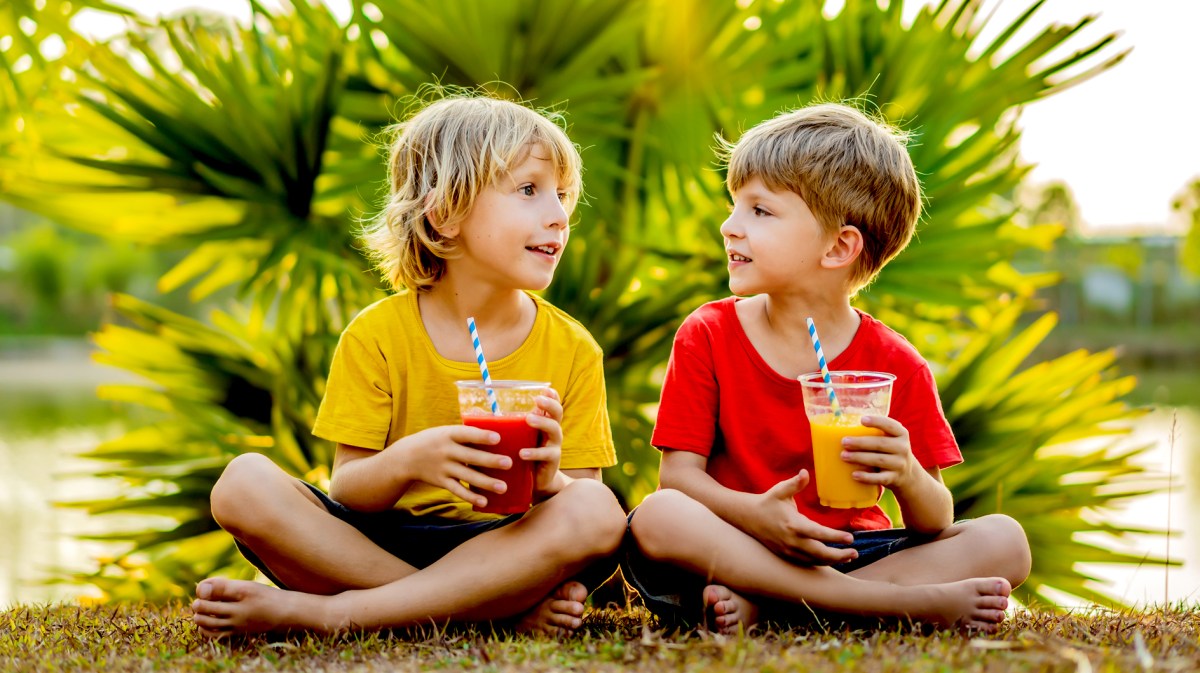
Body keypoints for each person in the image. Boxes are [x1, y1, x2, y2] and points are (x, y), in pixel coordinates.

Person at [190, 94, 627, 637]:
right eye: (529, 190)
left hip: (506, 546)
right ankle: (479, 613)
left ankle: (336, 615)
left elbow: (583, 505)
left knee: (597, 509)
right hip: (379, 543)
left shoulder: (572, 348)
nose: (559, 215)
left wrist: (547, 481)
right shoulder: (377, 334)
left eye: (562, 195)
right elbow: (348, 490)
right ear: (445, 216)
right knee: (242, 483)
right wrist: (409, 461)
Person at [623, 103, 1032, 634]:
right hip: (740, 542)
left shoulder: (894, 361)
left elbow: (936, 519)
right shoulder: (708, 333)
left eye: (760, 211)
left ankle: (778, 608)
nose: (729, 226)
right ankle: (888, 605)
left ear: (839, 246)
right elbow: (677, 479)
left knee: (1006, 540)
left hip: (851, 550)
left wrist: (906, 473)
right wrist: (755, 516)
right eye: (734, 205)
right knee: (659, 516)